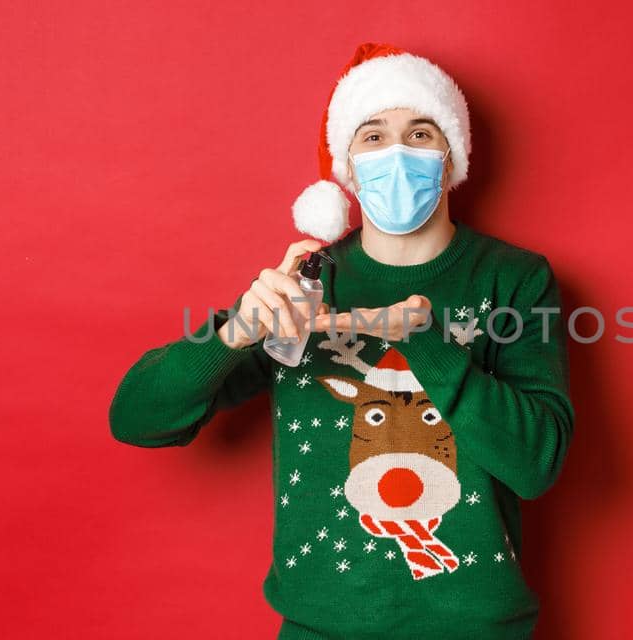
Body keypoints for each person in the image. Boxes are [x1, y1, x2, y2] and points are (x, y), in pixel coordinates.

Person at [109, 42, 574, 639]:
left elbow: (537, 463)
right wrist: (233, 335)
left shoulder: (514, 279)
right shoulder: (304, 284)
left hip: (475, 627)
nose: (397, 153)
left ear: (452, 154)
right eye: (373, 136)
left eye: (421, 133)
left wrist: (424, 340)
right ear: (347, 164)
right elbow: (137, 419)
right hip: (321, 627)